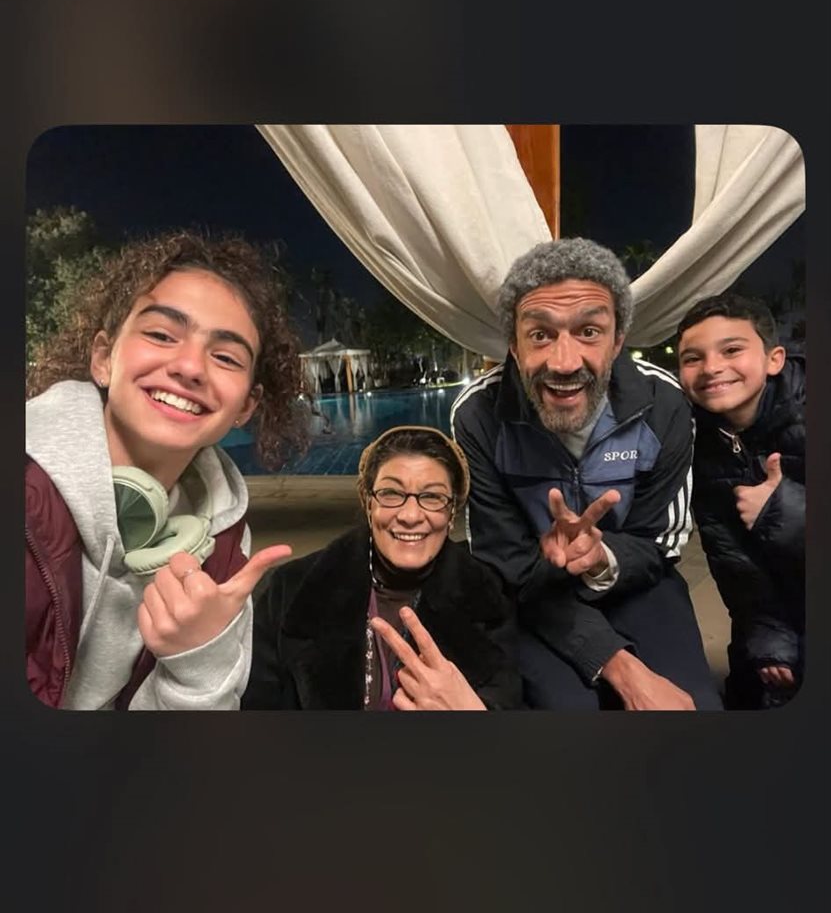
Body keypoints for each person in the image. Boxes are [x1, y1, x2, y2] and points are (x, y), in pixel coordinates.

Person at [26, 231, 303, 710]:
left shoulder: (223, 545)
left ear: (245, 406)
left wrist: (200, 662)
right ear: (103, 358)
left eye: (225, 357)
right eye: (160, 335)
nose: (191, 367)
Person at [451, 239, 721, 711]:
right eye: (540, 335)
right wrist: (617, 664)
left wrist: (602, 558)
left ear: (618, 341)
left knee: (693, 705)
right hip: (535, 593)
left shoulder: (664, 404)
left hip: (639, 583)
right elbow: (504, 562)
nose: (564, 362)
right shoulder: (478, 415)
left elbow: (658, 544)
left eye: (589, 331)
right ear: (514, 345)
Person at [243, 426, 522, 711]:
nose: (410, 515)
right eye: (391, 493)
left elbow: (507, 704)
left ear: (452, 512)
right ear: (368, 503)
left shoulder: (488, 597)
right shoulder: (290, 592)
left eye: (432, 497)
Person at [676, 291, 804, 708]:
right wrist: (769, 636)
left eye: (731, 350)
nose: (712, 367)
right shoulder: (698, 440)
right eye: (693, 358)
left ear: (774, 359)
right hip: (765, 616)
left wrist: (784, 511)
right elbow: (731, 559)